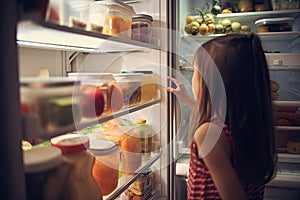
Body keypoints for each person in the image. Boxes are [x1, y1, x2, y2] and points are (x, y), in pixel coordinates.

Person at [167, 33, 277, 199]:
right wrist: (187, 99)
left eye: (196, 72)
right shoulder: (248, 124)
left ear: (212, 83)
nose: (193, 79)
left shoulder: (208, 134)